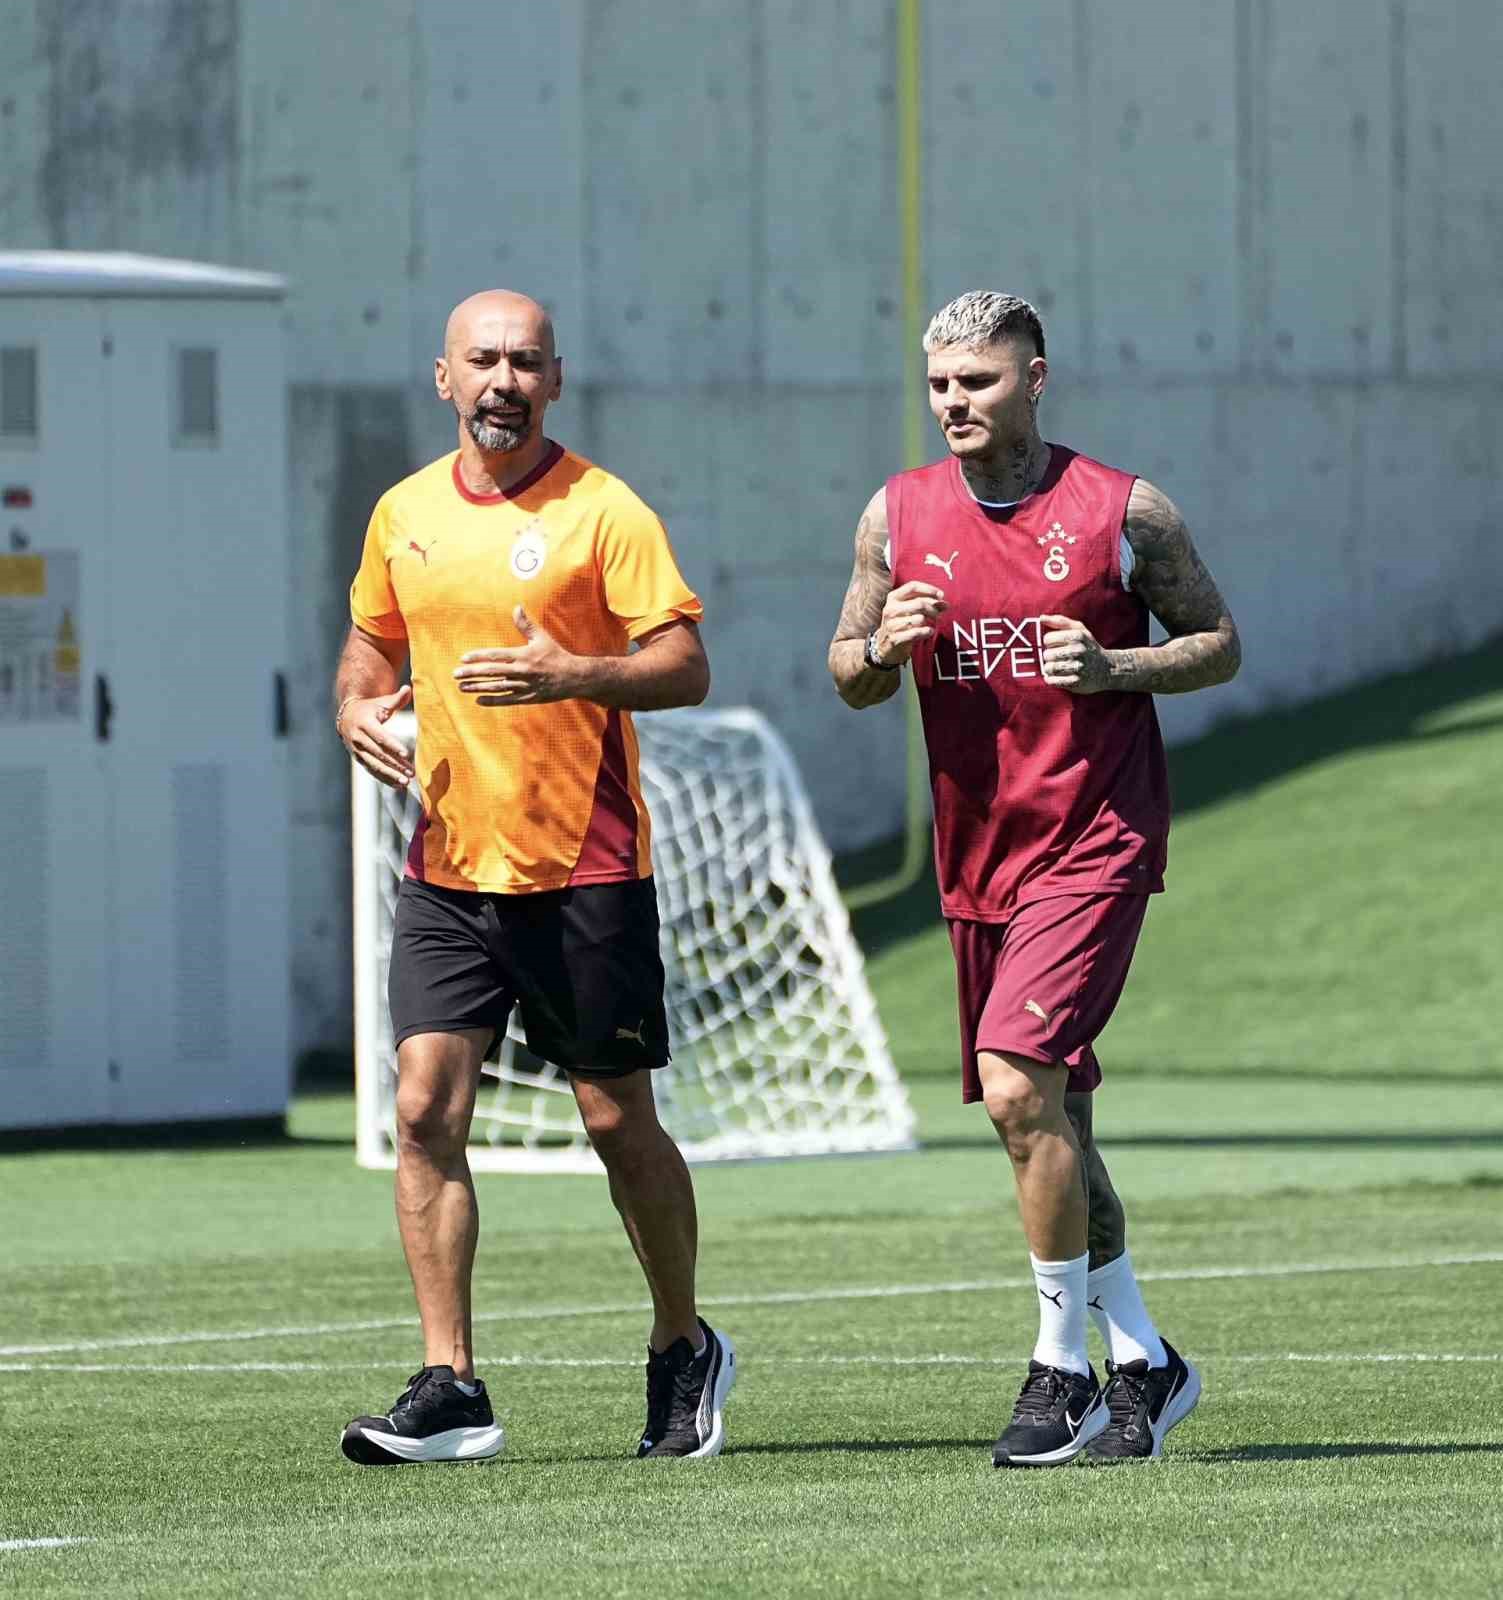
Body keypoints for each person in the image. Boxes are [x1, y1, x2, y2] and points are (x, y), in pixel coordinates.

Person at [829, 291, 1241, 1468]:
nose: (955, 402)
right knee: (1056, 1118)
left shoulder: (1124, 511)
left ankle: (1060, 1369)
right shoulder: (897, 515)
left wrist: (1115, 666)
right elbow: (848, 670)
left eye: (980, 380)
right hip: (980, 860)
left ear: (1036, 379)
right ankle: (1146, 1361)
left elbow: (1218, 644)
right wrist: (884, 648)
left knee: (1018, 1089)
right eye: (940, 384)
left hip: (1095, 842)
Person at [333, 289, 734, 1464]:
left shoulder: (605, 511)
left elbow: (685, 664)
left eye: (525, 362)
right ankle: (451, 1381)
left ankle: (682, 1343)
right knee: (424, 1107)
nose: (503, 380)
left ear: (555, 380)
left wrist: (575, 672)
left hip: (585, 867)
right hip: (449, 864)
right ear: (444, 378)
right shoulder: (403, 512)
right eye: (483, 360)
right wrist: (356, 705)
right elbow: (371, 642)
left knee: (615, 1119)